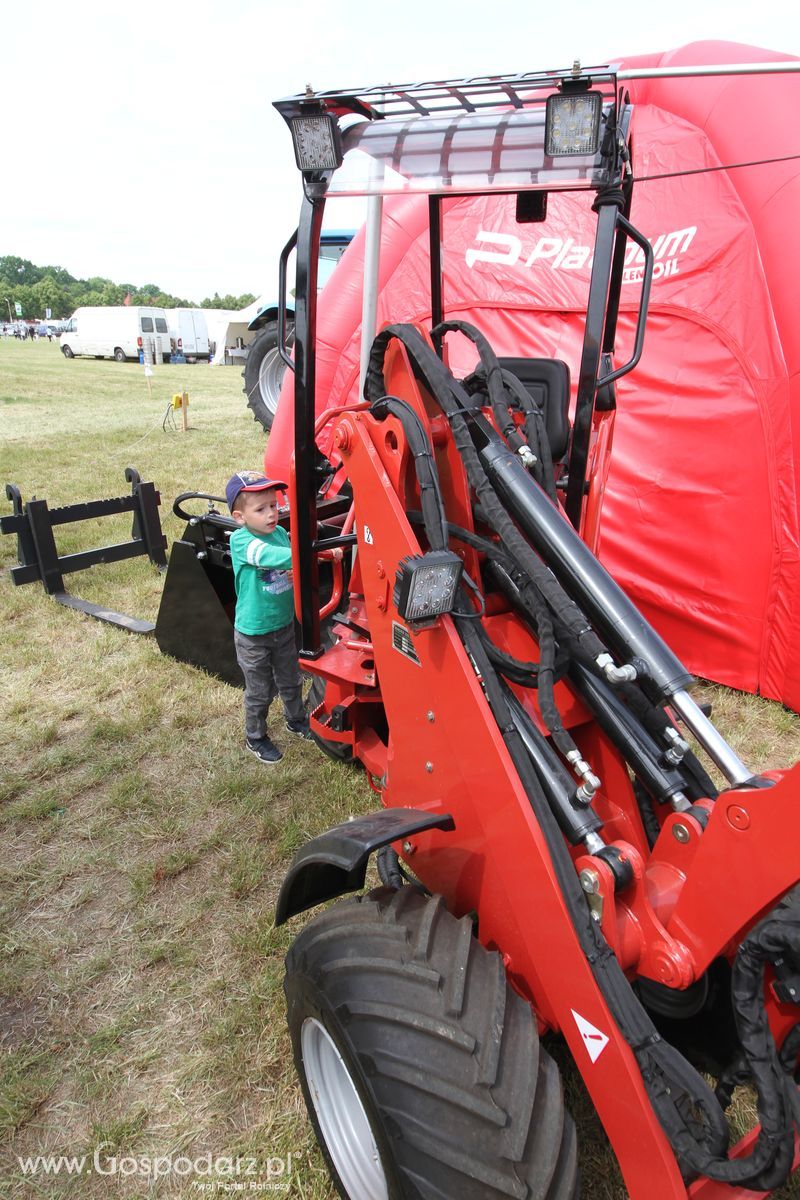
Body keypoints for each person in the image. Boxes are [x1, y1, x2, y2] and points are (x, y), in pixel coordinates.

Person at [226, 470, 310, 764]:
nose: (271, 513)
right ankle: (256, 736)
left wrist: (297, 567)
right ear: (240, 517)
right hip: (253, 633)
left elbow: (289, 563)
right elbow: (270, 556)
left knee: (291, 679)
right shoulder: (241, 541)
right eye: (260, 509)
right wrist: (308, 552)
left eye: (273, 505)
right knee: (260, 691)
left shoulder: (280, 533)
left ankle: (295, 718)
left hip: (283, 625)